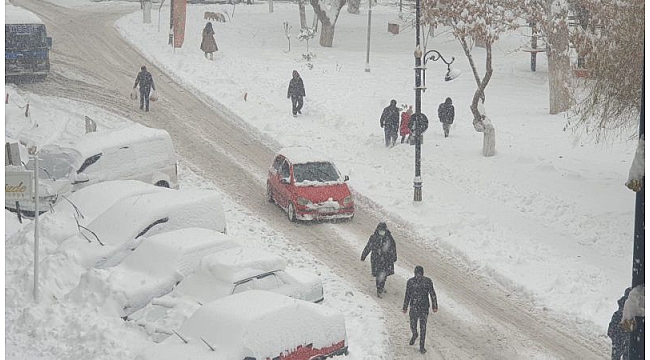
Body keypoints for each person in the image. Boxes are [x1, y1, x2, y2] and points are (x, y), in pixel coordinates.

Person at [402, 265, 438, 354]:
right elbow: (407, 295)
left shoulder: (420, 282)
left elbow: (432, 294)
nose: (418, 275)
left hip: (419, 307)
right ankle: (416, 337)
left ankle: (420, 344)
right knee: (418, 326)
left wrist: (434, 305)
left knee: (419, 326)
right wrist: (405, 307)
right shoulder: (413, 282)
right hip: (419, 307)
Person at [361, 222, 397, 298]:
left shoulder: (389, 238)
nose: (382, 231)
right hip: (377, 259)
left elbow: (393, 247)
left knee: (384, 274)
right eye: (380, 230)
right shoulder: (374, 238)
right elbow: (368, 247)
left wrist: (394, 256)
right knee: (379, 275)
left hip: (387, 259)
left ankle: (382, 286)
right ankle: (379, 289)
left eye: (383, 230)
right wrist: (364, 255)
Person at [608, 287, 632, 360]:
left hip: (618, 340)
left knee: (616, 357)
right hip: (627, 342)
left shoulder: (618, 314)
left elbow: (611, 329)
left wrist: (615, 339)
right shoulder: (632, 313)